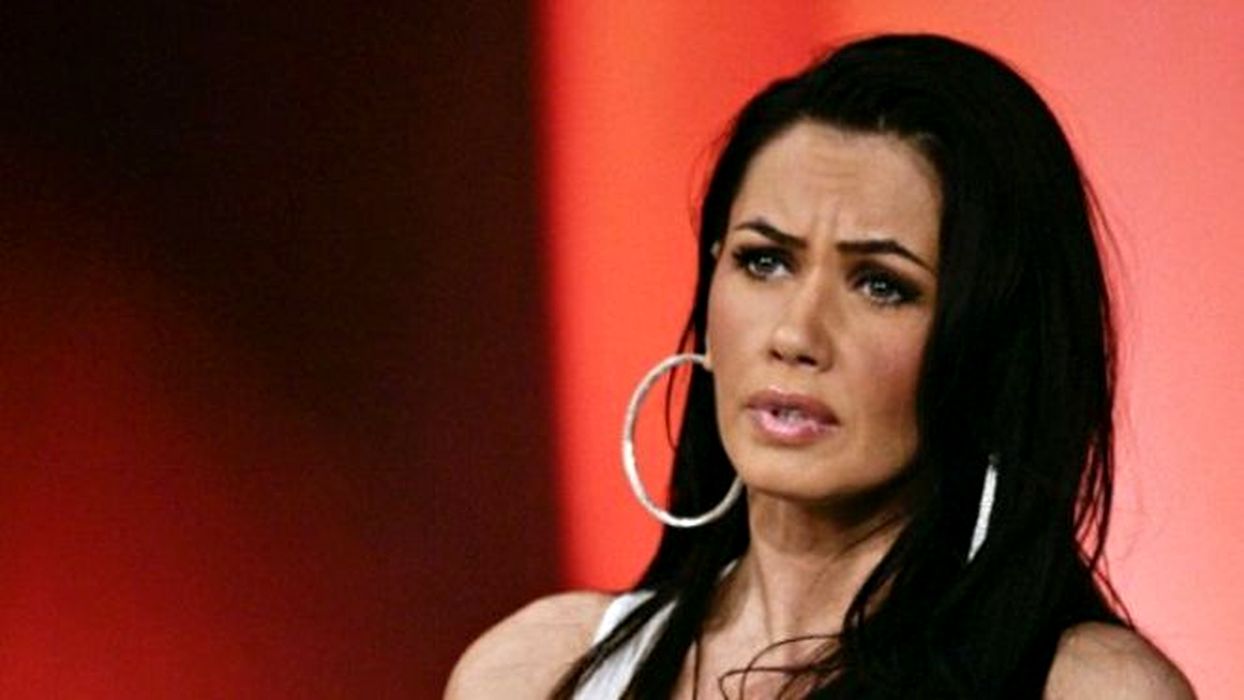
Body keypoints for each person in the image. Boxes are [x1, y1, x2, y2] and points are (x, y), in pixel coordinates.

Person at [447, 34, 1195, 698]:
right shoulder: (533, 672)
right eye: (764, 262)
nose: (795, 334)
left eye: (881, 285)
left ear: (993, 343)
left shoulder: (1090, 688)